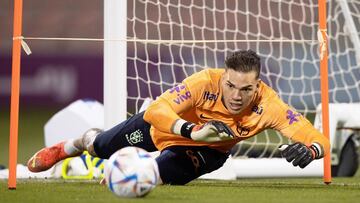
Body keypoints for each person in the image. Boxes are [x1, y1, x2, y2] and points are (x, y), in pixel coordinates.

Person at [27, 49, 330, 185]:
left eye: (246, 89)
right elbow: (158, 109)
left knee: (157, 175)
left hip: (206, 152)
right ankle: (76, 143)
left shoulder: (270, 105)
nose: (237, 95)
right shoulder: (203, 82)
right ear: (222, 78)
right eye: (231, 86)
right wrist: (191, 130)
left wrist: (312, 150)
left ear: (258, 85)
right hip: (163, 129)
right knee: (101, 147)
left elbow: (315, 137)